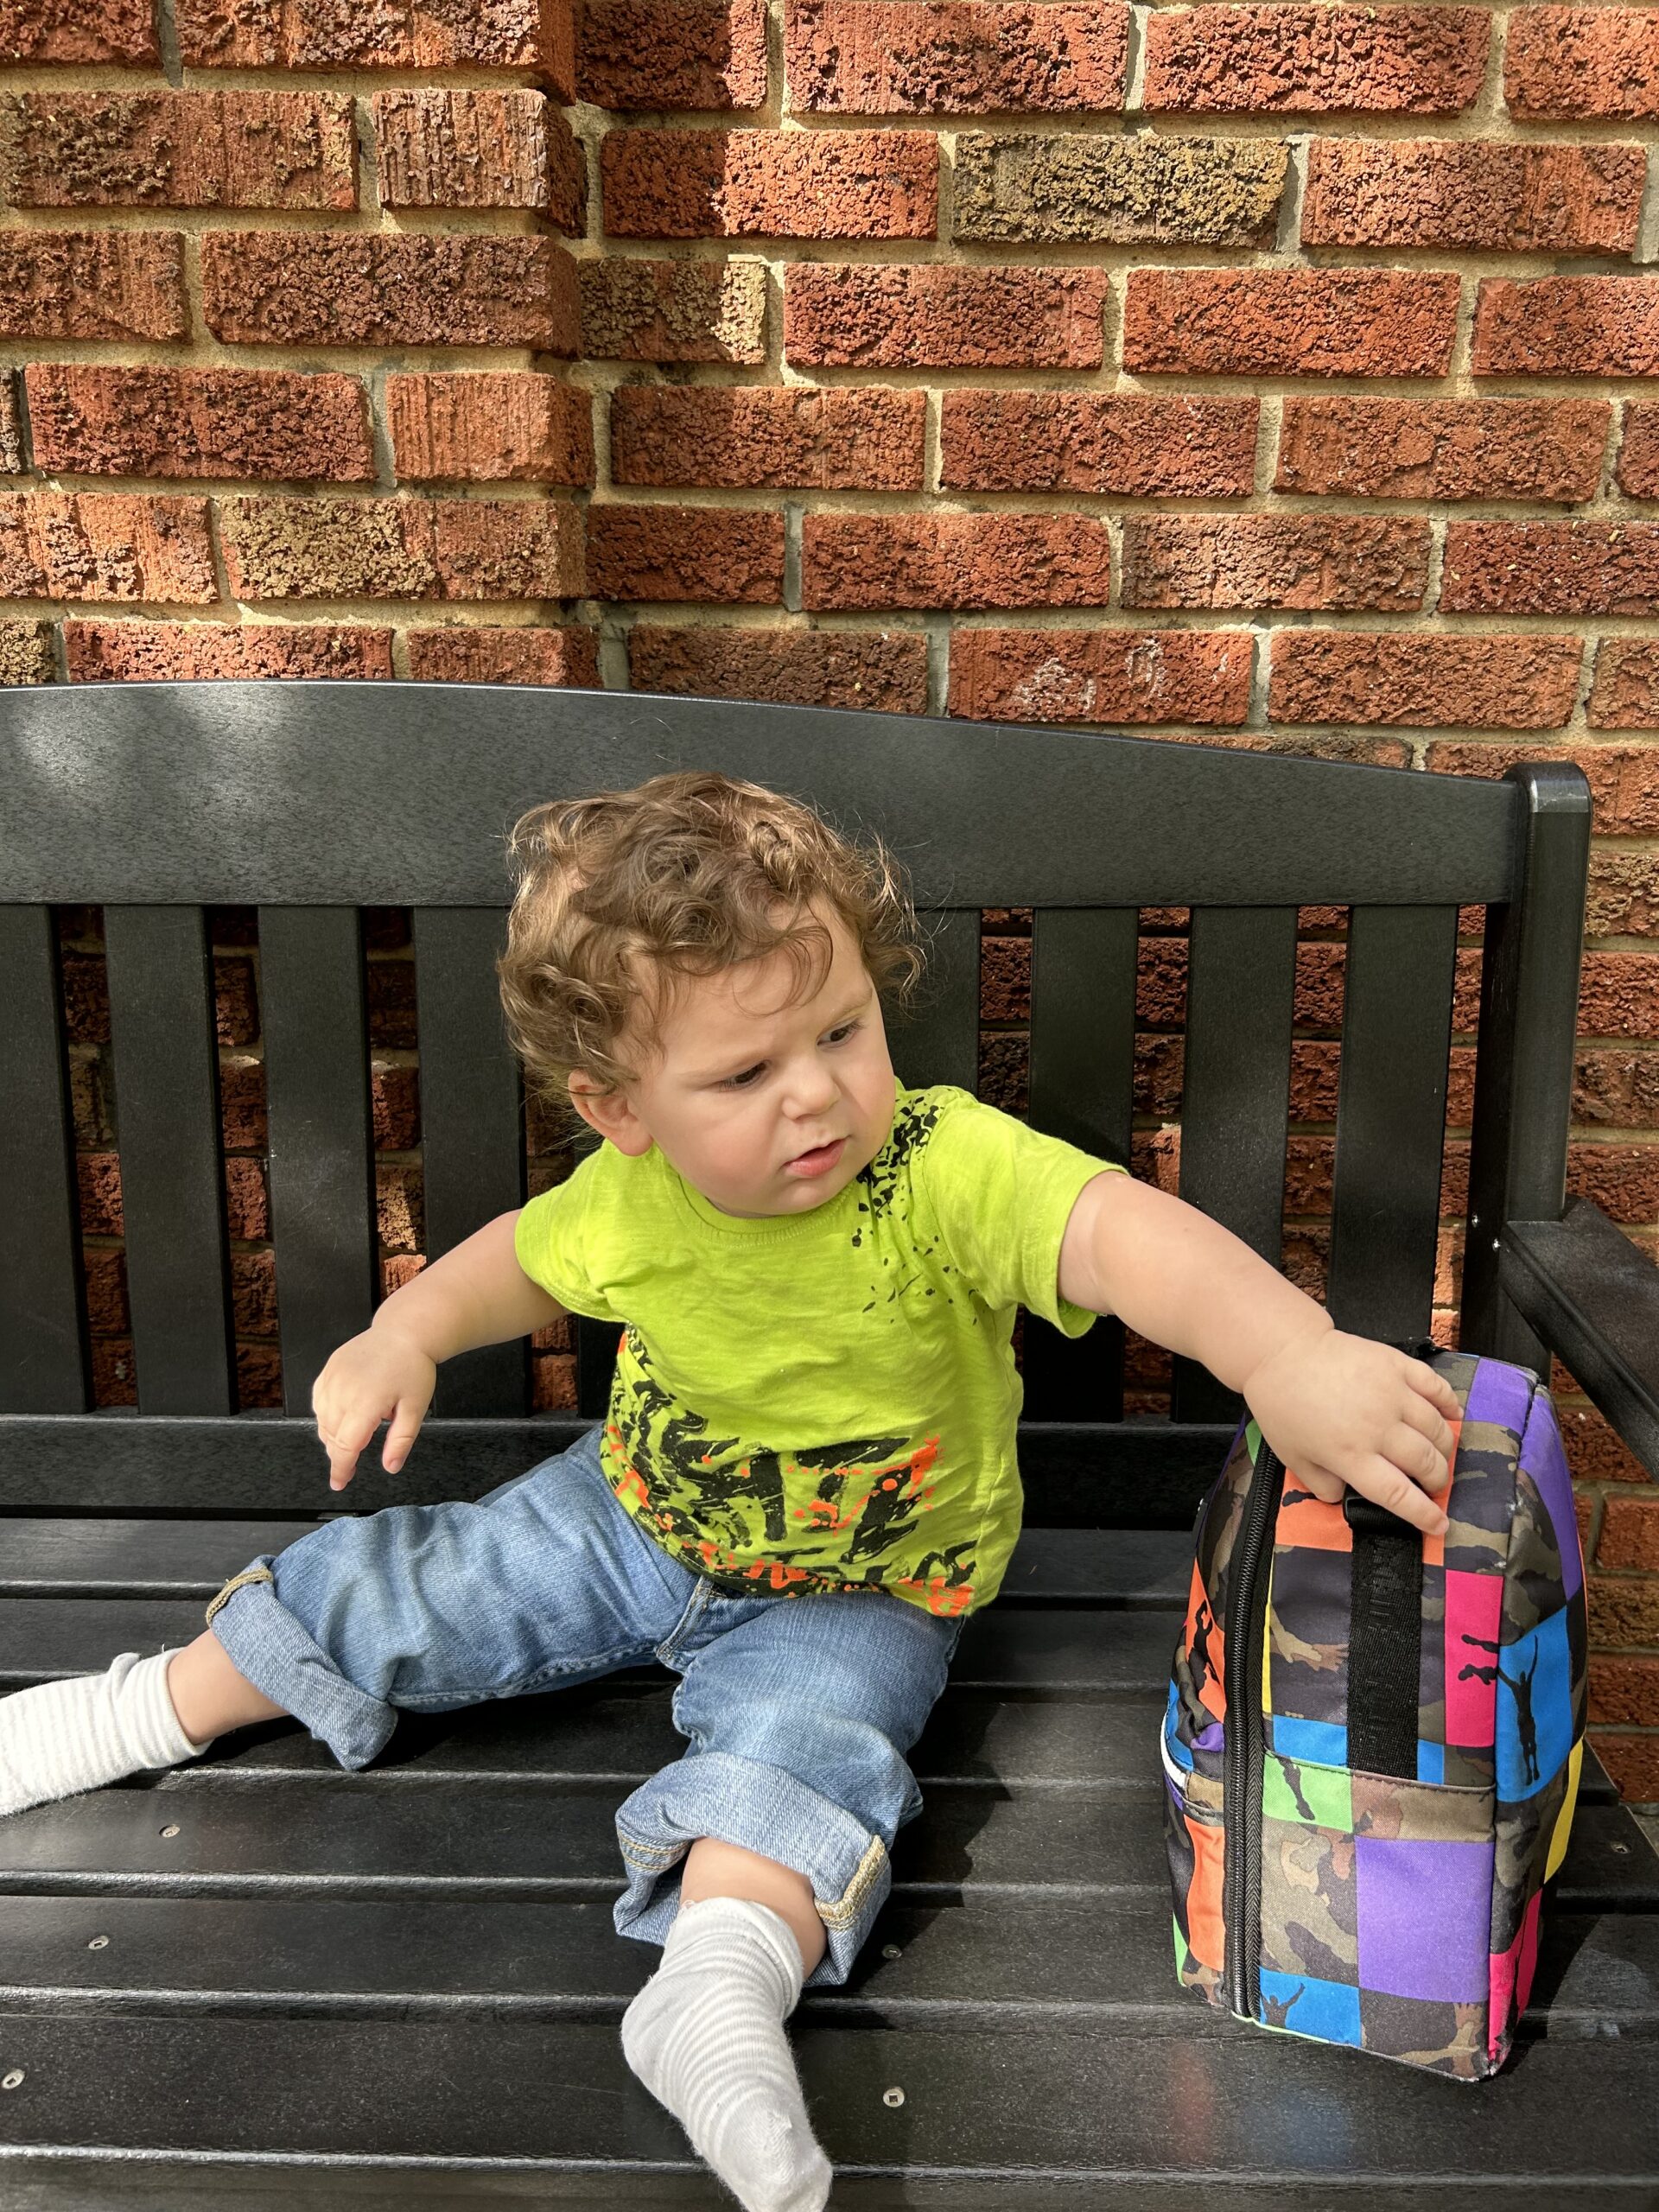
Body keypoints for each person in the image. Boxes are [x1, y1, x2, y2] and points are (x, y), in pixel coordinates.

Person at [0, 771, 1460, 2212]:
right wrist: (403, 1332)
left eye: (839, 1030)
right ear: (619, 1107)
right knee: (419, 1583)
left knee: (815, 1745)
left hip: (871, 1586)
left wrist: (1287, 1352)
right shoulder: (632, 1199)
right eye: (746, 1074)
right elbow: (515, 1257)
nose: (816, 1092)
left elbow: (1121, 1234)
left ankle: (710, 1994)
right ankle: (140, 1709)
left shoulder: (940, 1169)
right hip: (629, 1517)